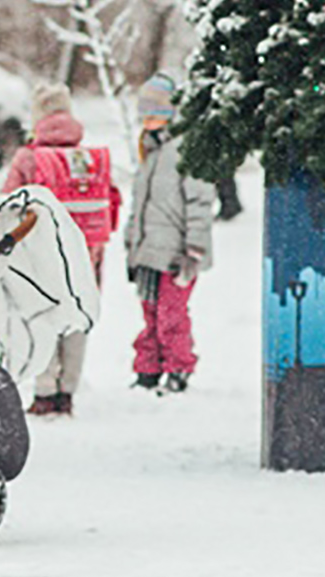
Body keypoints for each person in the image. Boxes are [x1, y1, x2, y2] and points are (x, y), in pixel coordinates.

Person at [3, 82, 120, 416]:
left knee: (42, 317)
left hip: (43, 255)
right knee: (77, 317)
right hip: (88, 252)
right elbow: (113, 201)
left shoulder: (28, 157)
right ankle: (67, 391)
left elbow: (8, 203)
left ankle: (44, 392)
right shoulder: (88, 157)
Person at [125, 73, 216, 395]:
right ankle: (148, 368)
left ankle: (179, 367)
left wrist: (194, 249)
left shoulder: (185, 150)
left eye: (156, 113)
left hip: (177, 253)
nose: (148, 120)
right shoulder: (149, 153)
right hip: (149, 250)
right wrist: (130, 242)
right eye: (145, 113)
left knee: (171, 314)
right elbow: (140, 204)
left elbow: (200, 201)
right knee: (150, 311)